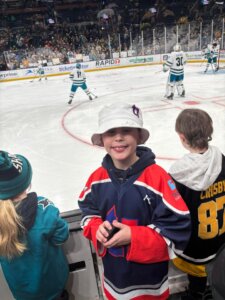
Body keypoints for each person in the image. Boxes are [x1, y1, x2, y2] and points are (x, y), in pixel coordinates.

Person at [78, 102, 191, 300]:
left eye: (126, 130)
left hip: (152, 286)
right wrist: (97, 228)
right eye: (111, 131)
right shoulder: (96, 179)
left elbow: (178, 228)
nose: (118, 137)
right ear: (102, 139)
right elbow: (88, 213)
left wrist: (134, 236)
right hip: (113, 283)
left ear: (138, 136)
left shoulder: (158, 178)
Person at [169, 108, 225, 300]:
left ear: (182, 137)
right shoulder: (222, 161)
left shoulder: (177, 174)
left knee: (196, 277)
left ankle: (197, 294)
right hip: (220, 240)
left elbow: (174, 213)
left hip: (194, 246)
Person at [0, 150, 69, 300]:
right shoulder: (44, 210)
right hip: (53, 291)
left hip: (21, 294)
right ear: (27, 182)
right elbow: (61, 236)